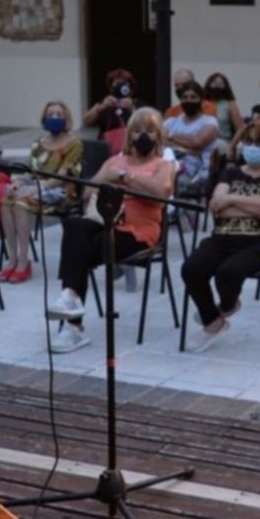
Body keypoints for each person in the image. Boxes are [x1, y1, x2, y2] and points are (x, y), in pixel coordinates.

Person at [47, 108, 176, 353]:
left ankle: (73, 324)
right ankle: (71, 299)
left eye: (149, 131)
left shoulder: (163, 165)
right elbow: (86, 194)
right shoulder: (113, 161)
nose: (143, 136)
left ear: (158, 136)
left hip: (139, 232)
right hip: (104, 222)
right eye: (137, 131)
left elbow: (161, 191)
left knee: (81, 251)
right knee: (74, 226)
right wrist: (105, 176)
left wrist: (124, 177)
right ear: (129, 135)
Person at [182, 117, 260, 353]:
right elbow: (216, 204)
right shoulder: (231, 173)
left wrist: (232, 199)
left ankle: (226, 306)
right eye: (249, 142)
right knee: (191, 268)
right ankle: (213, 322)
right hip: (225, 234)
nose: (253, 148)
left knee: (229, 272)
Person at [0, 100, 83, 283]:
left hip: (61, 191)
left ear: (66, 119)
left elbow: (62, 177)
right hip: (36, 187)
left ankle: (23, 261)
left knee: (20, 204)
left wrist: (35, 188)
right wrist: (18, 182)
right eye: (50, 114)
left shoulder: (74, 144)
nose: (54, 118)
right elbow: (30, 171)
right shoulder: (38, 144)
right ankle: (12, 258)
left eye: (59, 115)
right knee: (5, 200)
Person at [163, 80, 222, 197]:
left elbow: (196, 143)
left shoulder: (210, 122)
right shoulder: (171, 122)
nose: (188, 100)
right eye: (185, 97)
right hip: (169, 167)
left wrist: (171, 136)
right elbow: (158, 138)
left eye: (193, 97)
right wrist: (188, 148)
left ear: (201, 99)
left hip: (197, 174)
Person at [83, 68, 139, 153]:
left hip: (131, 148)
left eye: (123, 84)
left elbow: (147, 123)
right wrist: (100, 108)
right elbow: (86, 121)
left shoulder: (137, 104)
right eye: (116, 84)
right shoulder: (105, 102)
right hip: (106, 147)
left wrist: (132, 109)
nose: (120, 87)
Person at [204, 71, 245, 143]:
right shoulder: (202, 103)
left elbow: (240, 128)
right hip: (202, 141)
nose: (217, 86)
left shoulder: (230, 104)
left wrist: (231, 146)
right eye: (214, 83)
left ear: (225, 87)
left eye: (220, 84)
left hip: (222, 141)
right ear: (209, 85)